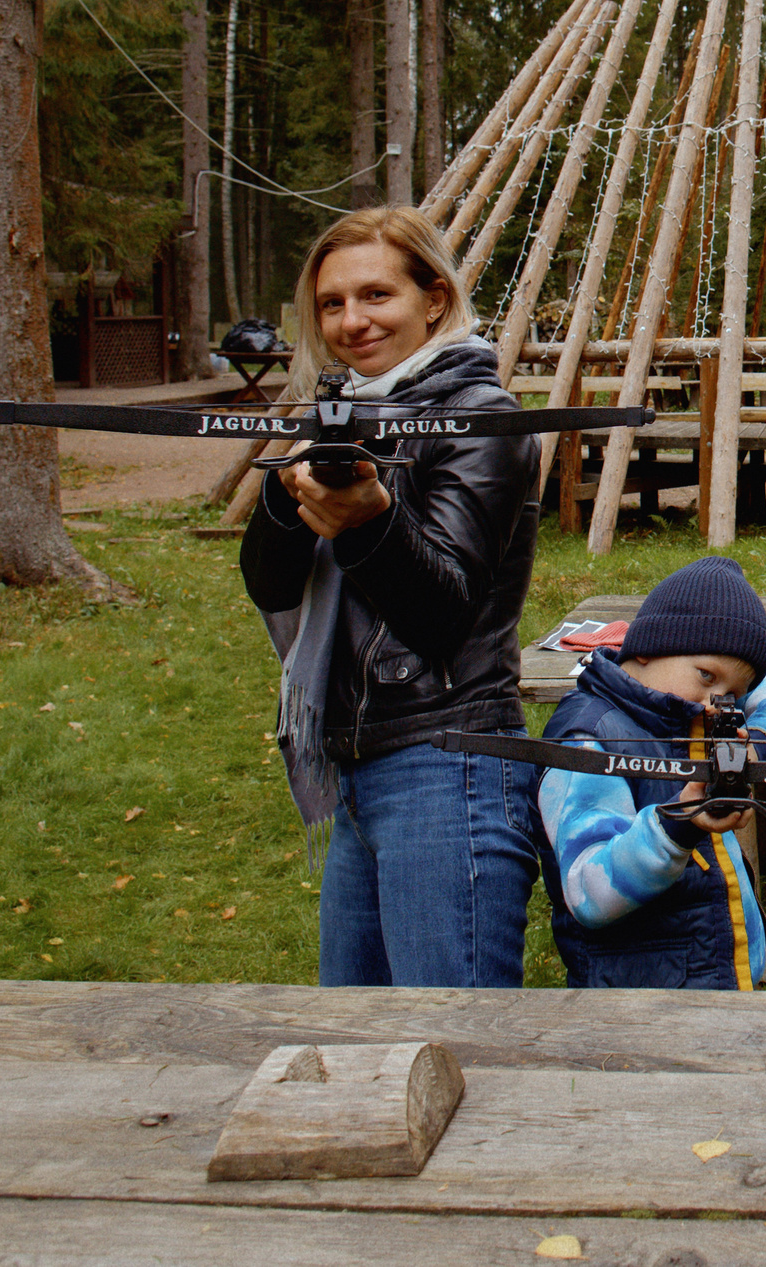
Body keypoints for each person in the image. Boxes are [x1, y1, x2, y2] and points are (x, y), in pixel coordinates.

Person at [239, 205, 543, 988]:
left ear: (433, 300)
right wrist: (290, 484)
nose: (352, 320)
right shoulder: (343, 414)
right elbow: (269, 582)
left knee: (455, 1039)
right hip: (359, 763)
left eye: (376, 295)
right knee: (358, 1040)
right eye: (333, 303)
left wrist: (371, 519)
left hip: (449, 763)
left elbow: (439, 611)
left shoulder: (482, 420)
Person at [534, 556, 766, 989]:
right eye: (705, 676)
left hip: (715, 981)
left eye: (733, 693)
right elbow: (590, 892)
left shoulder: (691, 718)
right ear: (647, 647)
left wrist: (756, 744)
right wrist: (675, 827)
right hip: (633, 1007)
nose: (717, 703)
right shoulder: (588, 738)